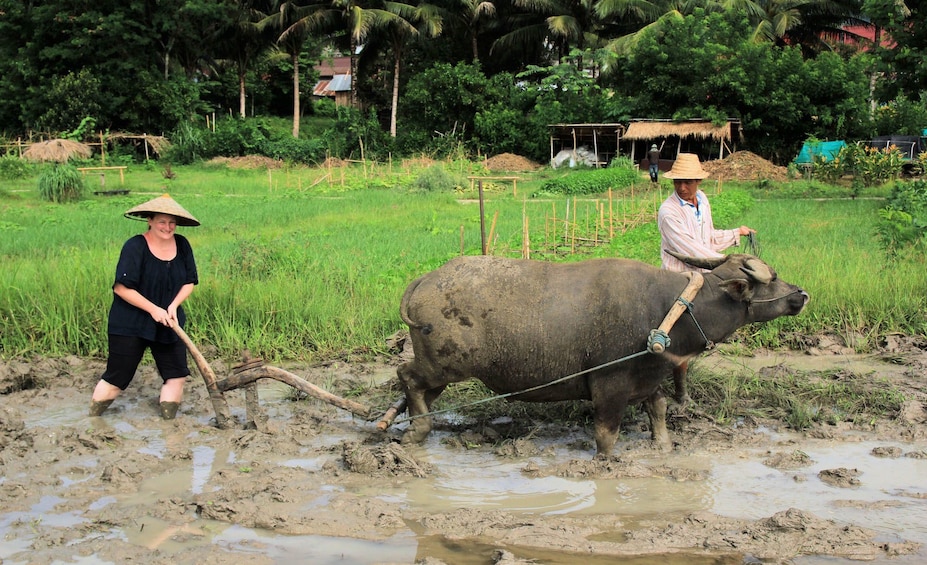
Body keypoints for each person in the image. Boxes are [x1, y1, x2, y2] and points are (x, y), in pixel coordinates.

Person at [89, 194, 200, 420]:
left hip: (169, 321)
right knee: (117, 379)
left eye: (171, 222)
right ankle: (92, 420)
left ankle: (169, 426)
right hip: (130, 323)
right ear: (149, 220)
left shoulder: (182, 245)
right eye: (162, 221)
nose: (167, 227)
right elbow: (121, 288)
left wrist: (173, 306)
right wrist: (153, 309)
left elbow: (189, 282)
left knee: (177, 375)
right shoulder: (135, 246)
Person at [657, 153, 755, 405]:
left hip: (702, 275)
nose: (682, 187)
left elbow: (707, 238)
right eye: (678, 181)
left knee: (697, 333)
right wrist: (728, 263)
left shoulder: (702, 200)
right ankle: (679, 392)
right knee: (681, 335)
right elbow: (690, 251)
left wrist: (736, 233)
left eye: (688, 181)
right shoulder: (669, 211)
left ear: (698, 181)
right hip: (679, 278)